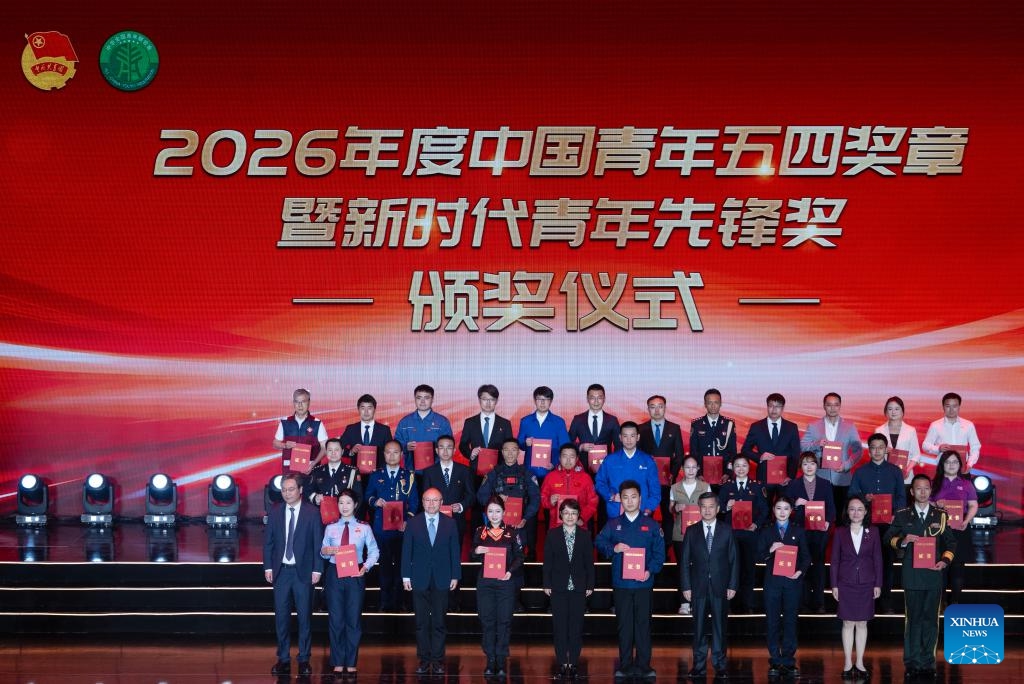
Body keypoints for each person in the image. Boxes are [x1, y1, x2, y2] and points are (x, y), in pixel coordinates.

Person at [885, 475, 957, 680]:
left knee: (931, 620)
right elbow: (888, 538)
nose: (923, 492)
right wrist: (903, 540)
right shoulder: (902, 515)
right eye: (919, 488)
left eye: (926, 488)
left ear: (930, 491)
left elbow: (951, 543)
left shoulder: (940, 515)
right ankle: (912, 661)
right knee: (913, 620)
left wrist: (944, 561)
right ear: (912, 492)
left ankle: (928, 661)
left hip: (934, 575)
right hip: (912, 576)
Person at [595, 480, 666, 681]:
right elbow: (599, 541)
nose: (630, 501)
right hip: (621, 584)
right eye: (625, 497)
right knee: (624, 625)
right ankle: (625, 664)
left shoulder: (651, 525)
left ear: (640, 499)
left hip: (643, 583)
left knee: (643, 624)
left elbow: (659, 553)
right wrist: (613, 549)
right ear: (621, 499)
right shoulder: (613, 524)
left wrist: (650, 570)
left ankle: (644, 665)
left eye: (633, 496)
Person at [262, 473, 323, 677]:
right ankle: (283, 658)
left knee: (305, 618)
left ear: (300, 490)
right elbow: (268, 542)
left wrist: (317, 569)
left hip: (303, 572)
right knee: (281, 618)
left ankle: (304, 659)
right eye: (284, 490)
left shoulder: (312, 512)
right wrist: (268, 567)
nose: (287, 493)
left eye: (291, 489)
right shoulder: (275, 510)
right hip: (281, 573)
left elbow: (317, 543)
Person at [402, 487, 462, 676]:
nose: (431, 504)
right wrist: (406, 576)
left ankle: (437, 660)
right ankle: (423, 659)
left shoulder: (450, 524)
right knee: (420, 622)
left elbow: (455, 551)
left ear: (441, 502)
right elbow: (406, 551)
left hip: (442, 578)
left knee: (438, 622)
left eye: (435, 500)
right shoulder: (413, 523)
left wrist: (455, 575)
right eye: (427, 500)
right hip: (418, 577)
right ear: (422, 501)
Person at [320, 489, 379, 675]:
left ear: (355, 505)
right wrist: (327, 551)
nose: (344, 506)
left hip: (356, 574)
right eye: (341, 503)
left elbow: (374, 551)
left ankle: (351, 661)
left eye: (348, 503)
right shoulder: (331, 527)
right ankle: (338, 660)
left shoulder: (364, 527)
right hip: (334, 574)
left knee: (353, 620)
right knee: (336, 619)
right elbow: (322, 550)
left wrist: (366, 567)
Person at [680, 491, 738, 679]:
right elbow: (684, 561)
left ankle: (720, 665)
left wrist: (732, 585)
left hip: (721, 586)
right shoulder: (691, 531)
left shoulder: (727, 530)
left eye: (711, 506)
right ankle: (698, 665)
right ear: (699, 509)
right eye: (703, 507)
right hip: (698, 587)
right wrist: (686, 586)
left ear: (718, 509)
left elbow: (734, 560)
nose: (707, 510)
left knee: (720, 627)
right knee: (698, 628)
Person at [849, 433, 906, 613]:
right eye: (873, 447)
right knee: (866, 562)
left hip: (889, 525)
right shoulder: (860, 472)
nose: (877, 451)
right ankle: (867, 600)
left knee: (887, 562)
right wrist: (863, 499)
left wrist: (895, 515)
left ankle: (886, 601)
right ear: (869, 449)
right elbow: (851, 496)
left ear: (886, 449)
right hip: (866, 525)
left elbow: (901, 497)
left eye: (881, 447)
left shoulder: (895, 471)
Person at [471, 496, 525, 677]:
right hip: (485, 583)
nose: (494, 515)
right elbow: (473, 553)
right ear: (486, 513)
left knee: (504, 622)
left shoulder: (512, 533)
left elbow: (520, 556)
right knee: (487, 622)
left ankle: (501, 661)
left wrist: (510, 571)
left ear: (504, 512)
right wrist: (477, 551)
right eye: (491, 511)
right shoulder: (480, 531)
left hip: (505, 583)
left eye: (498, 511)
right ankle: (490, 659)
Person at [757, 496, 810, 678]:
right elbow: (758, 556)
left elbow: (806, 557)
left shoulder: (798, 531)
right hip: (772, 583)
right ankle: (774, 659)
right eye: (778, 508)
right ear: (773, 510)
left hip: (791, 582)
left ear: (791, 511)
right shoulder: (766, 532)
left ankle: (788, 660)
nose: (782, 511)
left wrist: (799, 572)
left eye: (786, 508)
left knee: (790, 620)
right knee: (772, 621)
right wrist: (771, 549)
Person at [830, 495, 882, 680]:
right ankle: (847, 661)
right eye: (852, 508)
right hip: (846, 582)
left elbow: (877, 559)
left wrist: (878, 583)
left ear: (866, 511)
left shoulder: (873, 532)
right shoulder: (840, 532)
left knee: (862, 623)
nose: (856, 512)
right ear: (847, 511)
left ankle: (859, 661)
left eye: (860, 509)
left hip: (867, 582)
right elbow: (834, 560)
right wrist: (834, 584)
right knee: (847, 623)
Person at [543, 498, 595, 679]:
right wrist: (546, 583)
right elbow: (547, 562)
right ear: (560, 515)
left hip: (579, 587)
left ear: (578, 515)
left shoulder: (585, 535)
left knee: (575, 627)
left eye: (573, 513)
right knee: (559, 627)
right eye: (566, 513)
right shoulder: (552, 534)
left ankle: (573, 663)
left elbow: (590, 563)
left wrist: (590, 584)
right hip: (558, 587)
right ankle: (561, 663)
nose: (570, 516)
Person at [364, 440, 418, 612]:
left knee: (402, 566)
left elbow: (414, 501)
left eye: (396, 452)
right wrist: (375, 502)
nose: (392, 455)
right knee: (385, 567)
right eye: (388, 452)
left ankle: (401, 601)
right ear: (384, 454)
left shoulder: (408, 475)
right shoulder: (375, 475)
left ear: (402, 455)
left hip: (402, 529)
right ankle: (384, 601)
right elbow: (368, 496)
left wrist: (408, 519)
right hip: (381, 528)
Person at [784, 452, 836, 613]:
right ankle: (803, 601)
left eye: (812, 463)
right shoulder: (793, 485)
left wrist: (827, 521)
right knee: (802, 565)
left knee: (819, 567)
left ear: (817, 465)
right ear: (801, 466)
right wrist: (795, 504)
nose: (809, 467)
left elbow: (832, 508)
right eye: (805, 463)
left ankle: (819, 602)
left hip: (819, 531)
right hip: (800, 531)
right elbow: (784, 508)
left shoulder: (825, 484)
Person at [717, 455, 769, 613]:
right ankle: (731, 602)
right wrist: (726, 506)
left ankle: (747, 603)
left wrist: (756, 524)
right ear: (733, 467)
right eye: (737, 465)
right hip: (731, 534)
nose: (740, 469)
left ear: (749, 467)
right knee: (731, 568)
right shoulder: (726, 487)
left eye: (744, 465)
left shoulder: (757, 487)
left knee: (749, 569)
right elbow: (718, 509)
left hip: (749, 534)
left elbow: (765, 510)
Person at [478, 438, 541, 562]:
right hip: (497, 526)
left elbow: (535, 499)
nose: (510, 453)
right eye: (507, 450)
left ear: (519, 452)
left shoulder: (527, 474)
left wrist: (525, 518)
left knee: (519, 559)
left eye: (514, 450)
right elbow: (481, 497)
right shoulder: (493, 473)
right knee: (497, 559)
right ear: (502, 452)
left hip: (521, 524)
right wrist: (495, 499)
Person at [800, 392, 863, 514]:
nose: (832, 408)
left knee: (842, 517)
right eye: (829, 405)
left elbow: (858, 451)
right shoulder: (813, 426)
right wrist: (816, 444)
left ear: (840, 406)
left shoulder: (850, 426)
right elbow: (802, 447)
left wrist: (846, 465)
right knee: (819, 516)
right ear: (824, 406)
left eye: (836, 405)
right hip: (820, 478)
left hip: (842, 479)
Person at [930, 449, 978, 606]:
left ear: (960, 465)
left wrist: (967, 520)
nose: (951, 465)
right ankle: (941, 601)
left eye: (955, 462)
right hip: (939, 530)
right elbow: (923, 502)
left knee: (958, 567)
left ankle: (955, 602)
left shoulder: (966, 484)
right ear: (942, 464)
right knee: (940, 566)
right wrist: (935, 504)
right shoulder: (933, 483)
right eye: (948, 462)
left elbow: (973, 505)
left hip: (960, 529)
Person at [638, 394, 686, 546]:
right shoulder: (641, 429)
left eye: (660, 406)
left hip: (668, 481)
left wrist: (673, 473)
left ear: (665, 408)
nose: (657, 410)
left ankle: (666, 546)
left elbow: (679, 455)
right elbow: (638, 454)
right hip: (647, 481)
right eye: (653, 407)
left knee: (667, 513)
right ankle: (647, 544)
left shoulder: (674, 428)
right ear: (648, 409)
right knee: (647, 513)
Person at [669, 456, 710, 615]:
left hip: (701, 534)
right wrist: (676, 508)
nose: (691, 470)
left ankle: (698, 601)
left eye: (694, 467)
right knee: (683, 568)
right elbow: (670, 509)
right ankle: (684, 602)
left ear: (698, 468)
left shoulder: (705, 486)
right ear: (682, 469)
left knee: (700, 568)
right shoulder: (675, 487)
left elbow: (710, 509)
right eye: (687, 467)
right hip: (680, 533)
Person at [594, 422, 660, 519]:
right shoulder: (610, 460)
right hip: (615, 513)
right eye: (625, 436)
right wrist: (611, 496)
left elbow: (655, 490)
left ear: (638, 437)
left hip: (642, 513)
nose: (629, 440)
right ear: (620, 437)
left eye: (632, 436)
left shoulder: (648, 461)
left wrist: (648, 509)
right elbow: (599, 482)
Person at [421, 434, 476, 546]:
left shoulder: (464, 470)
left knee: (455, 555)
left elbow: (471, 496)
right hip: (434, 521)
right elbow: (424, 497)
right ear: (436, 450)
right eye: (442, 447)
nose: (445, 451)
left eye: (449, 447)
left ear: (454, 450)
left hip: (457, 522)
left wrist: (461, 506)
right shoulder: (428, 472)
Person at [741, 393, 801, 490]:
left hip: (784, 478)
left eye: (777, 406)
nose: (774, 409)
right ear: (767, 407)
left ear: (783, 408)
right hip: (764, 477)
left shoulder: (792, 427)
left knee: (784, 504)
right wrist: (760, 456)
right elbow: (745, 450)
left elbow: (795, 453)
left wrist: (790, 476)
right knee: (764, 505)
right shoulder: (756, 427)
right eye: (771, 406)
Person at [458, 384, 515, 481]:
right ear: (479, 400)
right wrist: (470, 453)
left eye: (492, 399)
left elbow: (510, 446)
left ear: (496, 401)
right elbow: (463, 444)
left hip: (498, 471)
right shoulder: (470, 422)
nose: (488, 403)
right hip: (475, 471)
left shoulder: (505, 424)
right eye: (484, 399)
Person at [395, 384, 453, 472]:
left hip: (436, 472)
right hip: (411, 472)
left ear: (432, 399)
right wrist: (405, 446)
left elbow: (449, 445)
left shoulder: (442, 422)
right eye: (419, 398)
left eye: (426, 398)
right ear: (414, 399)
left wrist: (438, 448)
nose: (422, 401)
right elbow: (396, 445)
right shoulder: (405, 422)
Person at [518, 385, 571, 480]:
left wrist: (555, 464)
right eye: (539, 399)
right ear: (534, 400)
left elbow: (565, 446)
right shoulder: (525, 421)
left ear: (551, 401)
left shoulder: (559, 422)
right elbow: (519, 444)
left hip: (551, 471)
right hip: (529, 472)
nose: (542, 402)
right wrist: (525, 442)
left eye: (546, 399)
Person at [540, 444, 598, 530]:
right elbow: (542, 498)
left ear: (577, 458)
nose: (568, 460)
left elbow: (593, 501)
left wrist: (582, 518)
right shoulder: (550, 477)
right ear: (559, 458)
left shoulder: (586, 478)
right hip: (556, 526)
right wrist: (549, 501)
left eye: (572, 456)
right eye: (564, 456)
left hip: (579, 525)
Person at [273, 388, 329, 473]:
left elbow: (324, 448)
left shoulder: (317, 423)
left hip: (310, 470)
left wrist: (313, 464)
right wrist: (285, 445)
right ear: (293, 403)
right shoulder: (285, 422)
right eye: (296, 402)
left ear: (309, 402)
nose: (300, 405)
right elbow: (275, 443)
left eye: (303, 401)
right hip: (289, 472)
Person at [922, 392, 982, 471]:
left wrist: (970, 464)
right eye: (948, 406)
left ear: (959, 407)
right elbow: (925, 445)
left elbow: (975, 447)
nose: (951, 410)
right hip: (943, 467)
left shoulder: (968, 425)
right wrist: (938, 448)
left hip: (963, 466)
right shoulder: (935, 425)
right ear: (943, 407)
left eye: (954, 406)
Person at [689, 388, 738, 481]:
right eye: (709, 402)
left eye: (716, 402)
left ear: (721, 403)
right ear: (705, 404)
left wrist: (728, 472)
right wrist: (698, 473)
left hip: (724, 474)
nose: (713, 406)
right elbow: (694, 452)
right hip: (703, 475)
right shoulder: (697, 424)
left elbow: (733, 452)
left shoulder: (729, 424)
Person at [338, 393, 393, 472]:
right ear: (358, 409)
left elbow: (390, 451)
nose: (366, 412)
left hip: (379, 474)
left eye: (369, 408)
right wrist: (351, 452)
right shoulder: (351, 429)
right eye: (363, 408)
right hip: (356, 474)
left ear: (374, 409)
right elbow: (338, 448)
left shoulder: (384, 430)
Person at [306, 438, 362, 514]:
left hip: (343, 517)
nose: (333, 453)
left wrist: (348, 515)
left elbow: (358, 497)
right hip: (321, 515)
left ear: (342, 452)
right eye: (330, 450)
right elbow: (308, 490)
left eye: (336, 450)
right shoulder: (317, 471)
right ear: (325, 451)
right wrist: (315, 498)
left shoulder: (352, 471)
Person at [569, 383, 622, 463]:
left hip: (605, 466)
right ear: (587, 399)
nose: (596, 402)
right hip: (583, 467)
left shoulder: (612, 420)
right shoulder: (578, 419)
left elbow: (619, 445)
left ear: (604, 399)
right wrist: (580, 447)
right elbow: (568, 441)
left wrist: (613, 462)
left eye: (599, 398)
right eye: (592, 398)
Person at [875, 396, 922, 484]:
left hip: (905, 477)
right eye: (890, 409)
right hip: (885, 475)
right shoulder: (879, 430)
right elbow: (874, 454)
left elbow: (916, 455)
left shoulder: (910, 430)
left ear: (902, 411)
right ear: (886, 411)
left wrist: (907, 470)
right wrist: (882, 450)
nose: (893, 412)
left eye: (897, 409)